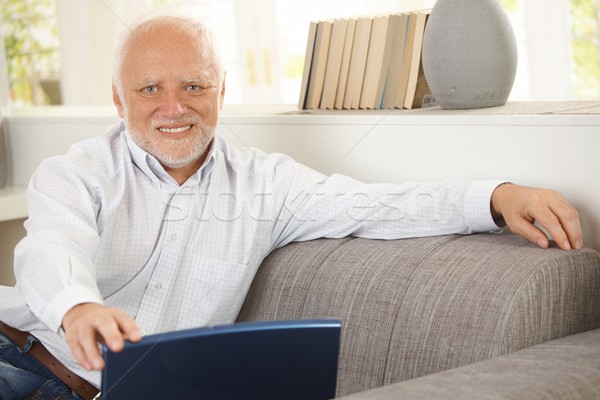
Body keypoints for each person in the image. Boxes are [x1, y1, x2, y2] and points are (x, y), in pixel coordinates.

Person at [0, 13, 583, 400]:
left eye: (194, 86)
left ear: (221, 93)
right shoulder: (77, 172)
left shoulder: (267, 185)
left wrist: (497, 197)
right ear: (118, 99)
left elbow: (377, 205)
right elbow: (51, 247)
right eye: (150, 88)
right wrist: (78, 309)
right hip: (24, 355)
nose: (174, 107)